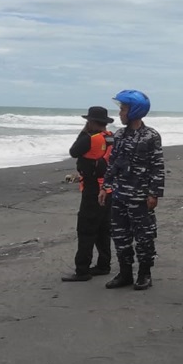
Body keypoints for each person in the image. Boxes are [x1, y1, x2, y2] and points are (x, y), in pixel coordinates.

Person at [99, 90, 164, 290]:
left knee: (144, 236)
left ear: (135, 110)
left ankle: (144, 273)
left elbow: (157, 166)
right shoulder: (119, 135)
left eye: (124, 109)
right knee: (120, 235)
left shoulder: (151, 136)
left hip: (141, 196)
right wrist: (105, 187)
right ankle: (125, 273)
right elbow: (113, 163)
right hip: (120, 194)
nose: (120, 113)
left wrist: (154, 193)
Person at [62, 106, 115, 282]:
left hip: (93, 188)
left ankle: (82, 270)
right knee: (103, 228)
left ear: (91, 122)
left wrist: (84, 132)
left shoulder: (89, 138)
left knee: (86, 229)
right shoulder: (110, 137)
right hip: (108, 187)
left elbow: (73, 151)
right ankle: (103, 264)